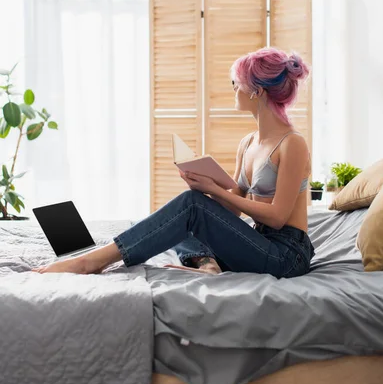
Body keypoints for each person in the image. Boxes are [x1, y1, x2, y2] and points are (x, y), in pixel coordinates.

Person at [33, 47, 314, 277]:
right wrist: (208, 186)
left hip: (286, 255)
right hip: (259, 242)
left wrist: (210, 194)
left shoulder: (292, 144)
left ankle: (92, 262)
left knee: (189, 207)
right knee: (184, 210)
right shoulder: (248, 143)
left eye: (236, 84)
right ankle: (207, 264)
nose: (233, 90)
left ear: (257, 91)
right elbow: (236, 209)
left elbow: (278, 217)